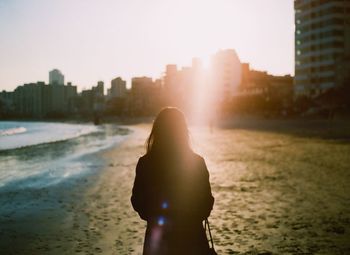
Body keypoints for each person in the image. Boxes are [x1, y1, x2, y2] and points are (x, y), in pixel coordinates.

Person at [131, 107, 215, 255]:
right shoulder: (196, 162)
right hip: (192, 236)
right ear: (183, 131)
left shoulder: (145, 163)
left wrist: (153, 216)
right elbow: (206, 201)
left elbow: (137, 200)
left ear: (157, 131)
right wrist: (192, 218)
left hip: (157, 238)